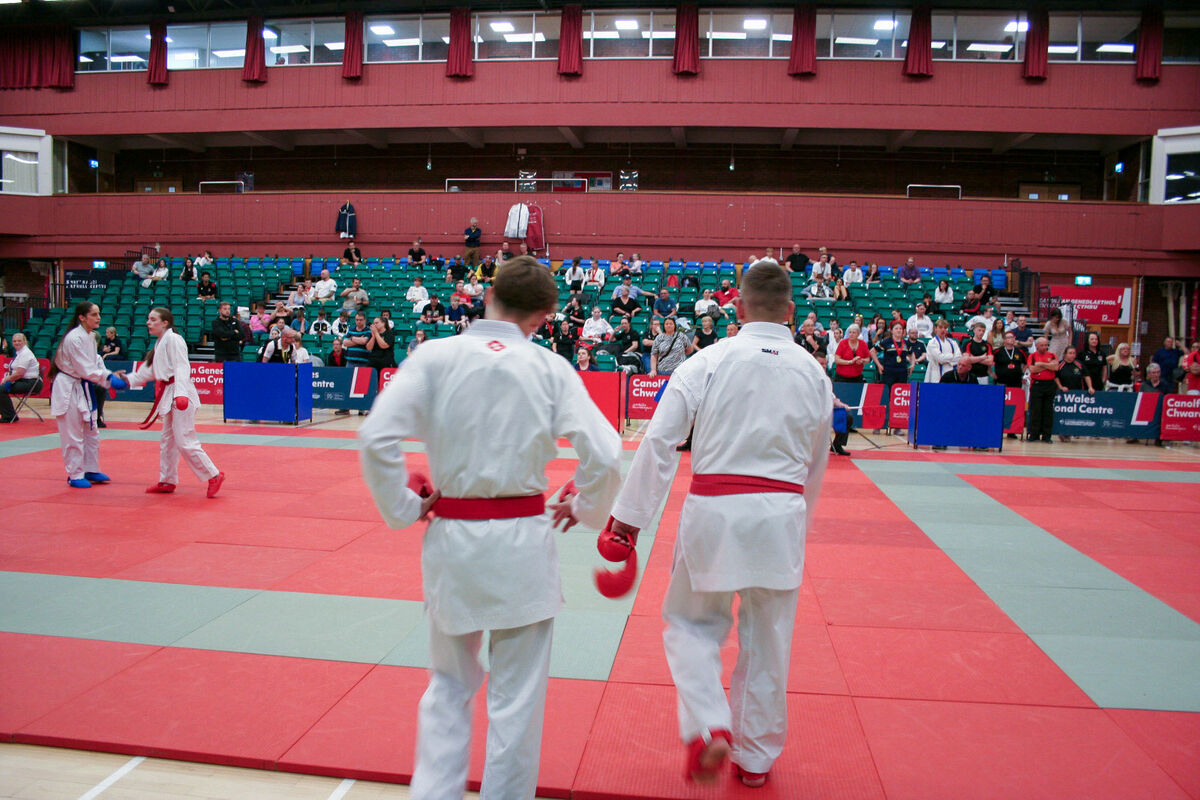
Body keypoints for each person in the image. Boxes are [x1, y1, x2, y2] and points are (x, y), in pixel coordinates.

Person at [359, 255, 621, 800]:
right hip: (524, 543)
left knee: (448, 688)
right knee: (517, 700)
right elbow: (607, 454)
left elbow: (375, 438)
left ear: (487, 294)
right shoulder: (550, 368)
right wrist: (586, 505)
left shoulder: (435, 356)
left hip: (453, 540)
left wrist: (405, 509)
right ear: (545, 315)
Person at [604, 260, 831, 787]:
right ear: (792, 311)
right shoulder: (814, 375)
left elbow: (660, 442)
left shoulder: (708, 361)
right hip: (782, 516)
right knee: (769, 640)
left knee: (690, 626)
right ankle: (754, 761)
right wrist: (801, 523)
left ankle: (709, 724)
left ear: (737, 306)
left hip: (714, 512)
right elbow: (815, 466)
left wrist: (628, 520)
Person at [124, 307, 223, 496]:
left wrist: (181, 394)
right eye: (148, 319)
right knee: (168, 440)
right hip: (170, 392)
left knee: (184, 439)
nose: (148, 322)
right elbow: (148, 371)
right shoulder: (160, 343)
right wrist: (126, 381)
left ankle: (214, 475)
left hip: (180, 391)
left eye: (153, 319)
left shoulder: (174, 339)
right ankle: (167, 480)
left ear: (165, 322)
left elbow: (182, 366)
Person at [50, 303, 126, 487]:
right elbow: (85, 368)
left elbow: (95, 366)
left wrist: (110, 377)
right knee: (73, 434)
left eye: (99, 313)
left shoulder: (91, 337)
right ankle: (75, 474)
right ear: (82, 317)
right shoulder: (74, 338)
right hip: (69, 386)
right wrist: (108, 378)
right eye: (94, 314)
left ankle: (91, 468)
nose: (98, 317)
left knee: (92, 431)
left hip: (84, 386)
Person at [0, 333, 41, 423]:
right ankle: (8, 414)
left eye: (19, 341)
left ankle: (9, 416)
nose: (17, 343)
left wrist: (6, 380)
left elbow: (19, 373)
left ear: (25, 342)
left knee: (1, 389)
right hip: (22, 381)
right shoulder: (19, 353)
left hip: (31, 383)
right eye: (14, 341)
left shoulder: (25, 353)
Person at [1026, 337, 1059, 443]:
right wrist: (1048, 366)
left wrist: (1041, 365)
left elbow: (1055, 368)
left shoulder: (1052, 355)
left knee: (1048, 411)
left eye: (1046, 345)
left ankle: (1046, 436)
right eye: (1042, 345)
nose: (1045, 347)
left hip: (1049, 385)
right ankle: (1034, 435)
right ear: (1037, 345)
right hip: (1037, 385)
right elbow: (1032, 369)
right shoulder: (1032, 356)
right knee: (1036, 410)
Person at [873, 321, 911, 392]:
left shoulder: (906, 342)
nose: (899, 330)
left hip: (902, 372)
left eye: (900, 328)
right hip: (889, 372)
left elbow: (912, 354)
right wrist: (879, 365)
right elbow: (872, 351)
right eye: (896, 328)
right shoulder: (887, 342)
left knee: (900, 393)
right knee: (888, 393)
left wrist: (913, 364)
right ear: (891, 330)